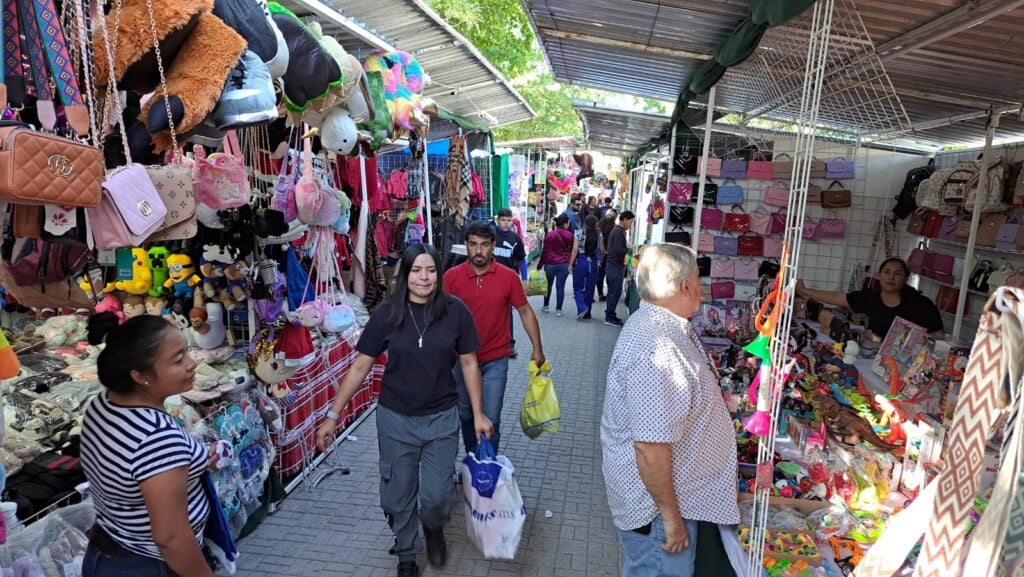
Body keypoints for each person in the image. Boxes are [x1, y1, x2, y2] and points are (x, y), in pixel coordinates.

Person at [317, 244, 494, 577]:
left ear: (439, 275)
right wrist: (332, 416)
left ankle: (433, 527)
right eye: (416, 271)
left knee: (438, 495)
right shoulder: (387, 313)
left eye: (430, 270)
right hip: (395, 418)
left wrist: (479, 413)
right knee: (397, 494)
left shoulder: (455, 311)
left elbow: (470, 363)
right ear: (405, 274)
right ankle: (407, 552)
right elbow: (359, 367)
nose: (423, 278)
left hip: (441, 417)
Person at [601, 244, 739, 577]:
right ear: (686, 286)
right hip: (657, 514)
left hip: (665, 504)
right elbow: (649, 447)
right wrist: (671, 518)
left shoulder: (659, 324)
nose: (701, 289)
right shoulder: (655, 347)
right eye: (698, 280)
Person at [80, 314, 215, 577]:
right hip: (149, 564)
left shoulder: (103, 404)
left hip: (109, 548)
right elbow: (171, 537)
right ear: (140, 376)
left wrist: (193, 459)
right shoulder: (156, 437)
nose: (191, 364)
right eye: (178, 359)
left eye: (186, 352)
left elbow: (134, 467)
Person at [443, 221, 545, 455]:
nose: (478, 251)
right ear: (466, 246)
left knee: (491, 417)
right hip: (460, 360)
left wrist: (537, 348)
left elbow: (525, 311)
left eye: (484, 245)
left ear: (493, 246)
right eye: (473, 245)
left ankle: (488, 465)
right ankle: (472, 462)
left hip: (495, 359)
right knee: (467, 414)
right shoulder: (451, 278)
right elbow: (439, 317)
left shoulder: (508, 277)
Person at [796, 257, 943, 336]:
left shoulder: (921, 305)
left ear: (906, 278)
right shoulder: (870, 298)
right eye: (886, 272)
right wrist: (805, 291)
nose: (891, 277)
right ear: (879, 276)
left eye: (897, 274)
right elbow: (837, 298)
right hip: (875, 355)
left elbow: (939, 336)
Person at [493, 208, 528, 359]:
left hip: (507, 282)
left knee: (507, 313)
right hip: (490, 279)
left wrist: (525, 280)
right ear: (498, 220)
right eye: (503, 220)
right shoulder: (490, 236)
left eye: (509, 221)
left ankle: (510, 344)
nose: (506, 224)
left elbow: (521, 261)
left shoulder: (515, 239)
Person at [538, 215, 577, 316]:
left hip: (550, 264)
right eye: (568, 223)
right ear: (565, 224)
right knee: (560, 287)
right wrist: (572, 264)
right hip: (564, 264)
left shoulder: (550, 235)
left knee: (548, 286)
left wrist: (540, 265)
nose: (568, 225)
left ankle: (545, 306)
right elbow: (574, 250)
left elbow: (545, 251)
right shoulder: (570, 235)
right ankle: (558, 310)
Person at [604, 210, 635, 326]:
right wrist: (628, 250)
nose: (630, 225)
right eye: (630, 222)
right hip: (614, 266)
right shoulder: (618, 231)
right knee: (614, 292)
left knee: (616, 292)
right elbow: (618, 249)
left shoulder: (620, 231)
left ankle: (611, 314)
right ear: (625, 219)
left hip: (616, 265)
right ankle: (609, 317)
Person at [573, 214, 600, 321]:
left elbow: (575, 250)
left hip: (581, 260)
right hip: (593, 262)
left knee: (577, 287)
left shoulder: (578, 233)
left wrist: (570, 264)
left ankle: (581, 307)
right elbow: (601, 249)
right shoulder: (599, 235)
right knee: (590, 288)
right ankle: (588, 313)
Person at [597, 208, 618, 301]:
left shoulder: (604, 222)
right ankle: (608, 294)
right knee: (608, 274)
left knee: (601, 274)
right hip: (608, 252)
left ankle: (601, 293)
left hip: (604, 252)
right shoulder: (611, 222)